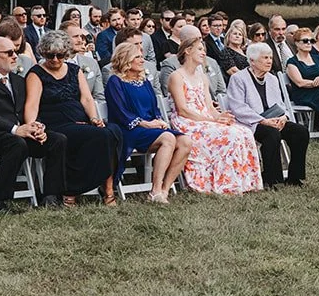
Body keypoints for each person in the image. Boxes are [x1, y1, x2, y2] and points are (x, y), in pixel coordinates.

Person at [0, 37, 68, 210]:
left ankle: (50, 196)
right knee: (16, 143)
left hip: (17, 135)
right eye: (9, 53)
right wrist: (14, 129)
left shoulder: (18, 80)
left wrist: (37, 127)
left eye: (16, 52)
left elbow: (27, 109)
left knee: (58, 139)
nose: (15, 57)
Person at [24, 29, 120, 205]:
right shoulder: (36, 73)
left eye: (59, 55)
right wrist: (32, 125)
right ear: (43, 53)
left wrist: (93, 118)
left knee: (112, 131)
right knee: (100, 135)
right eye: (50, 55)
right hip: (55, 122)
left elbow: (86, 98)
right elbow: (32, 104)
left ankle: (107, 188)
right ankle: (73, 189)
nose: (54, 60)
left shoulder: (75, 70)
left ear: (66, 53)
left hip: (80, 119)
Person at [166, 29, 262, 194]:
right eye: (200, 49)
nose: (204, 53)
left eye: (204, 50)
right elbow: (182, 110)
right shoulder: (176, 76)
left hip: (205, 118)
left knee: (243, 131)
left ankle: (245, 182)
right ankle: (224, 183)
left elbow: (209, 107)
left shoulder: (202, 77)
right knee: (228, 135)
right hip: (187, 121)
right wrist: (211, 121)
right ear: (188, 51)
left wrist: (220, 116)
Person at [107, 38, 191, 203]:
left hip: (150, 129)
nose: (142, 60)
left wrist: (159, 120)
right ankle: (155, 191)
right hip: (129, 130)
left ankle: (165, 189)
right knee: (168, 138)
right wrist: (145, 123)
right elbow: (120, 112)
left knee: (186, 142)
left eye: (141, 56)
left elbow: (154, 107)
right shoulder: (115, 82)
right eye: (137, 57)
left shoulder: (143, 81)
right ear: (126, 60)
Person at [226, 42, 309, 188]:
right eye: (265, 58)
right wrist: (263, 120)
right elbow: (238, 108)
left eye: (270, 57)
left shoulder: (272, 78)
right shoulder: (238, 78)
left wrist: (284, 117)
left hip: (275, 119)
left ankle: (294, 177)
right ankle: (272, 179)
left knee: (300, 132)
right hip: (251, 123)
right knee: (271, 134)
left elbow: (281, 104)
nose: (269, 61)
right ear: (252, 61)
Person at [285, 27, 319, 131]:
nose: (309, 43)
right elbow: (300, 83)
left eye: (311, 41)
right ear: (296, 43)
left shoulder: (318, 58)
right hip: (303, 94)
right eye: (305, 41)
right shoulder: (292, 62)